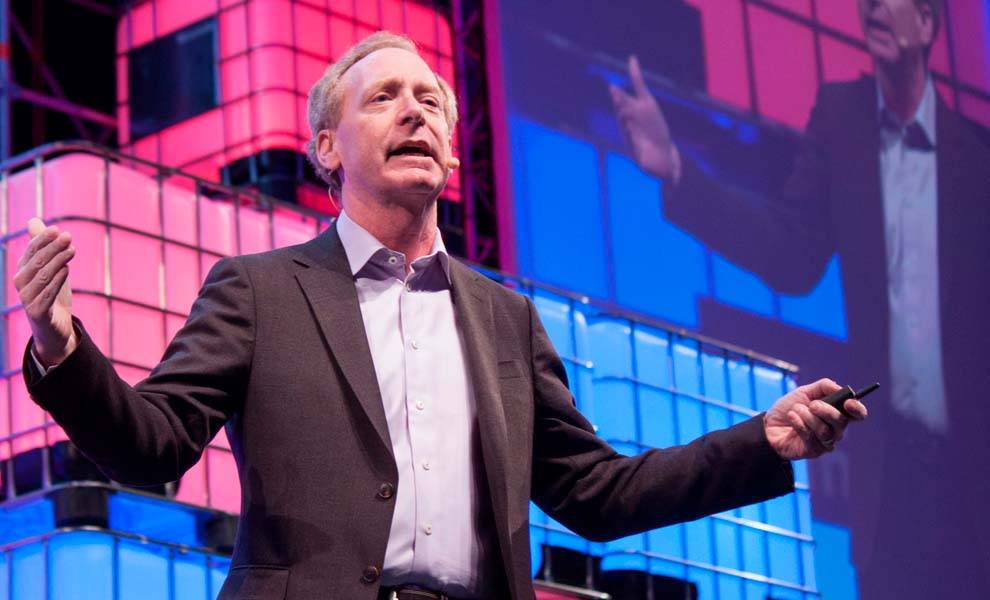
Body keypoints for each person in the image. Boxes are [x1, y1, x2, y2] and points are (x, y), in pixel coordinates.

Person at [16, 32, 866, 600]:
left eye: (429, 101)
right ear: (326, 148)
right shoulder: (260, 291)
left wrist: (764, 442)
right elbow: (154, 442)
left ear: (453, 155)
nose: (415, 111)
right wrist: (61, 346)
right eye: (384, 97)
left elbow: (597, 494)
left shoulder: (507, 321)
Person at [610, 0, 989, 597]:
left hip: (975, 476)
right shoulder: (843, 120)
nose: (872, 8)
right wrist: (676, 168)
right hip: (891, 482)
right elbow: (792, 256)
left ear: (927, 23)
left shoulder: (976, 157)